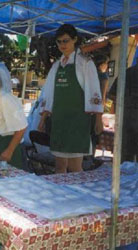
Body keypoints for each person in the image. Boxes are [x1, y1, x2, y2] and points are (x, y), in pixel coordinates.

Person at [38, 24, 103, 173]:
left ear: (74, 40)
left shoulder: (85, 63)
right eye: (59, 42)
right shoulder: (56, 66)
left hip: (77, 121)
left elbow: (95, 92)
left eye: (66, 41)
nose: (62, 45)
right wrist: (43, 119)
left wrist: (99, 118)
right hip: (59, 121)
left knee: (75, 167)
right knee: (59, 166)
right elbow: (48, 93)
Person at [108, 63, 138, 162]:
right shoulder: (125, 73)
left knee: (124, 158)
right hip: (127, 118)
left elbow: (112, 95)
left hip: (125, 119)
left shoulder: (125, 73)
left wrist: (124, 102)